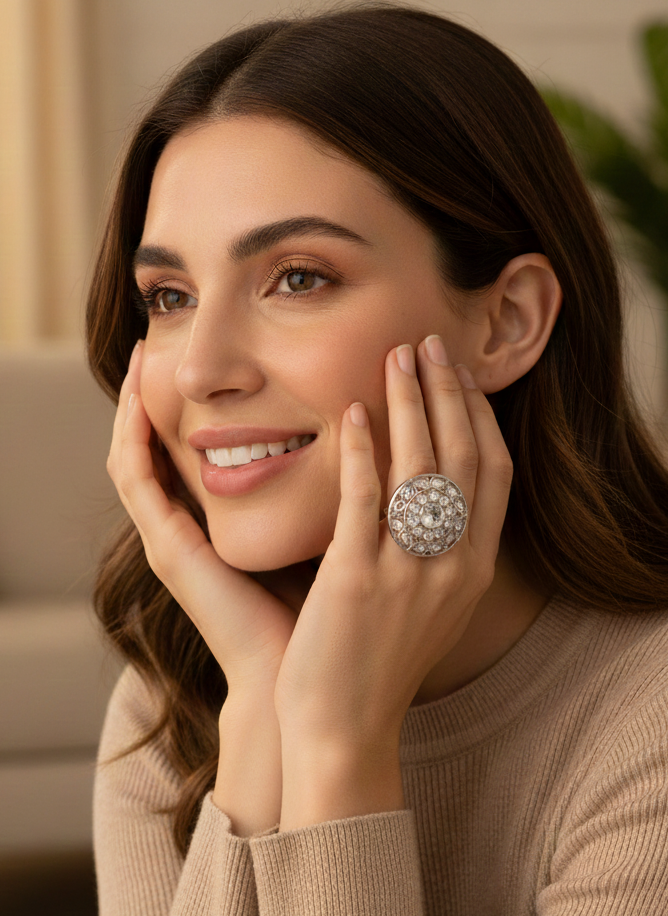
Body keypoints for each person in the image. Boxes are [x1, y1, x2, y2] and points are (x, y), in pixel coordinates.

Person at [87, 4, 668, 914]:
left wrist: (334, 739)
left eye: (299, 277)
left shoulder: (649, 716)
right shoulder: (186, 683)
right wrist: (259, 715)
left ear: (506, 320)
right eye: (168, 295)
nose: (199, 368)